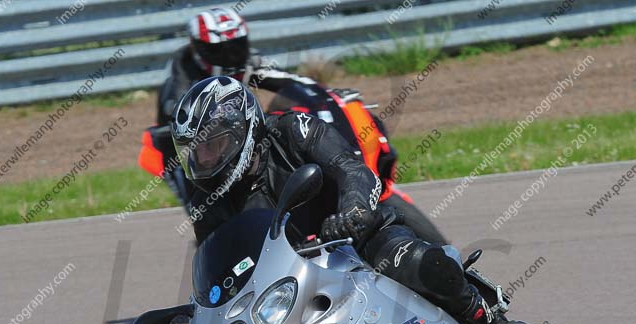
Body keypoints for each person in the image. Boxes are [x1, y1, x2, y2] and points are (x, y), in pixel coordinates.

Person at [171, 76, 541, 324]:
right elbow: (217, 254)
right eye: (195, 153)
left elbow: (351, 169)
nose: (203, 161)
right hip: (294, 278)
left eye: (211, 147)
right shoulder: (208, 198)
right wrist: (206, 304)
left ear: (242, 131)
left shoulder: (292, 130)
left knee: (414, 262)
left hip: (357, 239)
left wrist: (353, 212)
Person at [152, 6, 446, 244]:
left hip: (229, 135)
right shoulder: (179, 87)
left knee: (276, 116)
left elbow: (288, 81)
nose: (230, 56)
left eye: (236, 46)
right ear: (197, 48)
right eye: (220, 50)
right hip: (189, 148)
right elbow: (186, 133)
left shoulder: (243, 62)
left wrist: (325, 95)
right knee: (203, 189)